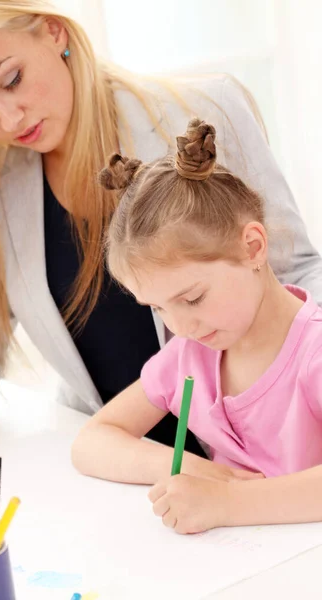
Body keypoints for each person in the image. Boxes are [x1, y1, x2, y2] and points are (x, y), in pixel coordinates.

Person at [0, 1, 322, 488]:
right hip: (124, 474)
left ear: (53, 33)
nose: (7, 119)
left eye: (11, 80)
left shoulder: (206, 111)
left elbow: (297, 271)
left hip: (265, 464)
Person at [72, 118, 322, 534]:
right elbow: (91, 442)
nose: (180, 325)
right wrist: (195, 469)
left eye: (191, 299)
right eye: (157, 309)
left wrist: (229, 502)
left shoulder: (313, 351)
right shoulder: (189, 355)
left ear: (253, 248)